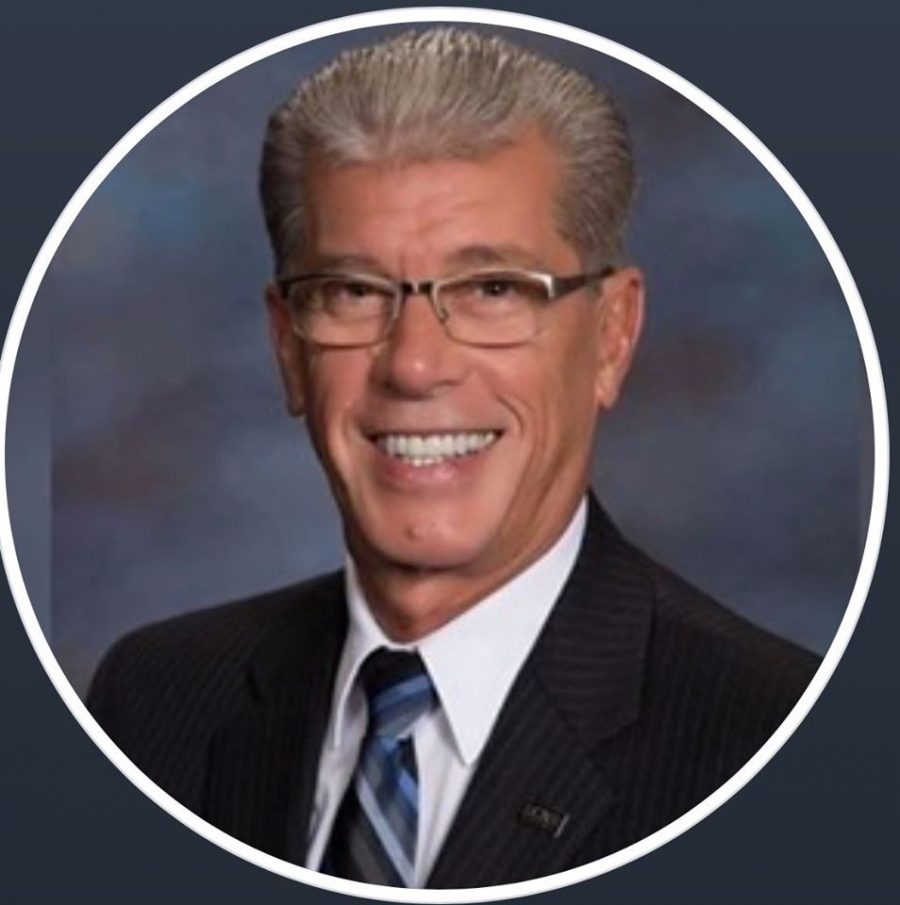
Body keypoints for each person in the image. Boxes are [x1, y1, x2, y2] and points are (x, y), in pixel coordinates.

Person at [88, 27, 820, 890]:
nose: (416, 364)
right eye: (353, 292)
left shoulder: (776, 739)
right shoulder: (155, 701)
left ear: (612, 337)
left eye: (493, 289)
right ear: (288, 347)